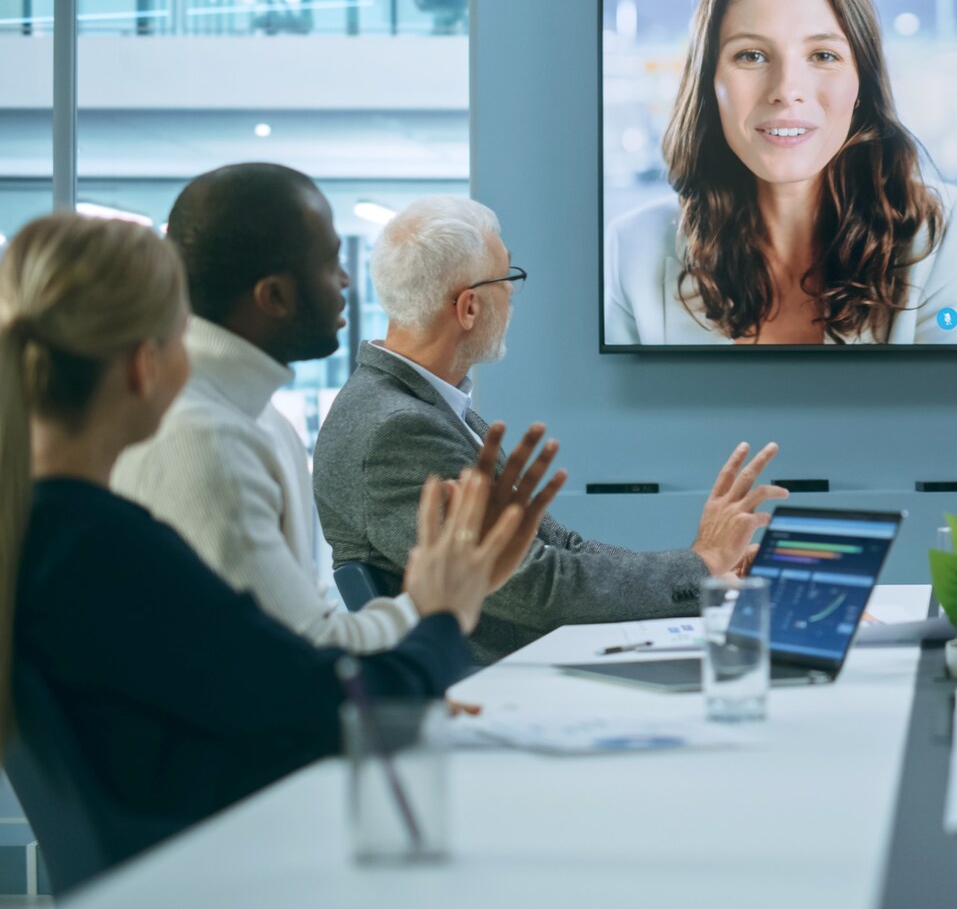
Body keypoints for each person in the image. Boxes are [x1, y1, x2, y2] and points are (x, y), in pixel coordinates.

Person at [3, 213, 530, 873]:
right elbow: (343, 709)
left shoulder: (43, 536)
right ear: (146, 366)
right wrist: (445, 610)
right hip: (237, 870)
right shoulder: (109, 549)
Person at [319, 196, 783, 663]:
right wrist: (700, 564)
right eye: (508, 279)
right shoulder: (398, 429)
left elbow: (562, 547)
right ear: (469, 309)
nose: (514, 296)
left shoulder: (430, 406)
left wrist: (702, 572)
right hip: (495, 681)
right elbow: (537, 586)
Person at [113, 164, 511, 655]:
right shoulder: (205, 437)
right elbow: (303, 656)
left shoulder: (254, 419)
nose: (345, 280)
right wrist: (438, 600)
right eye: (329, 262)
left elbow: (306, 628)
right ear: (274, 296)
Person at [605, 0, 957, 345]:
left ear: (862, 86)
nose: (786, 89)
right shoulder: (631, 249)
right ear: (710, 83)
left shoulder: (938, 234)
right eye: (751, 55)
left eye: (823, 55)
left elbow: (944, 406)